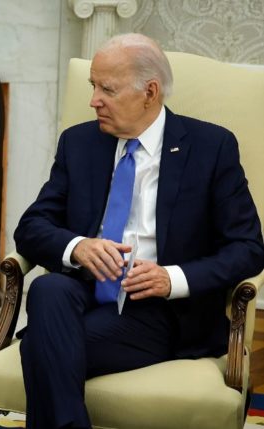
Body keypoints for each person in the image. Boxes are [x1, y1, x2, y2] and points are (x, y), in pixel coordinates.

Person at [14, 33, 264, 428]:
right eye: (92, 86)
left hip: (160, 313)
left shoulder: (211, 147)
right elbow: (30, 228)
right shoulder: (79, 143)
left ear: (150, 92)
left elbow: (248, 248)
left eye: (107, 89)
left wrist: (172, 278)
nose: (94, 99)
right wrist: (77, 247)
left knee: (40, 347)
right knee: (48, 288)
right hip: (81, 295)